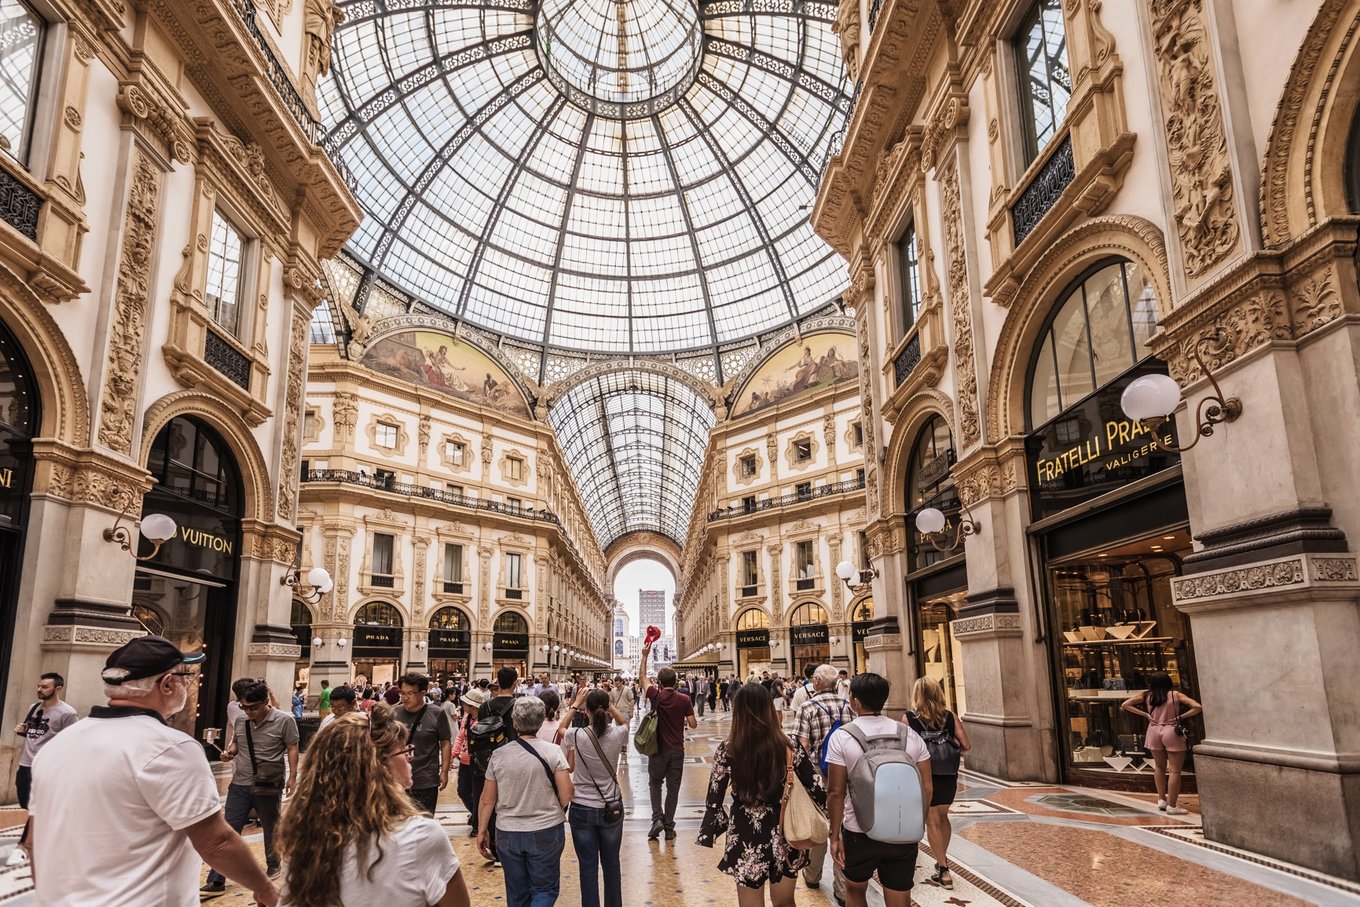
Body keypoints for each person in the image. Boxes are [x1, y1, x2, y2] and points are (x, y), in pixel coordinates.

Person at [29, 636, 278, 906]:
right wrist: (264, 887)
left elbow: (32, 841)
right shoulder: (171, 747)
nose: (188, 684)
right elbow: (216, 842)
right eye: (187, 677)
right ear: (168, 684)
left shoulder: (57, 746)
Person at [275, 704, 471, 907]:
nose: (409, 757)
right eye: (404, 750)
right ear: (380, 763)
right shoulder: (420, 836)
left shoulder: (305, 836)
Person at [697, 683, 827, 907]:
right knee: (785, 901)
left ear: (738, 712)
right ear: (768, 709)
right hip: (784, 829)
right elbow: (816, 788)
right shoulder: (789, 745)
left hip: (746, 833)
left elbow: (714, 797)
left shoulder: (728, 749)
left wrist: (713, 827)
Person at [826, 673, 932, 907]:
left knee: (854, 890)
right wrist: (916, 822)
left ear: (854, 701)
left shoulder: (842, 737)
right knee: (899, 894)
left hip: (858, 830)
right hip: (903, 831)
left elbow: (835, 792)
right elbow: (927, 786)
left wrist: (834, 835)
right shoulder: (909, 735)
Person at [203, 681, 299, 896]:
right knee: (228, 829)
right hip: (240, 783)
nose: (249, 711)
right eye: (244, 707)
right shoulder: (241, 720)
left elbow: (292, 747)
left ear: (266, 701)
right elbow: (236, 744)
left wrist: (293, 776)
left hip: (268, 783)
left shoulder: (284, 720)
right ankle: (216, 879)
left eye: (253, 707)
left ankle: (274, 862)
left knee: (271, 825)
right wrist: (229, 753)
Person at [476, 696, 573, 906]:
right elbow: (567, 794)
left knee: (517, 891)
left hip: (508, 831)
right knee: (544, 889)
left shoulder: (499, 755)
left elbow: (487, 800)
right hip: (546, 829)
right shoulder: (553, 751)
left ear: (514, 723)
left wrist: (483, 829)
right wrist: (553, 808)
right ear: (539, 722)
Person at [558, 687, 628, 907]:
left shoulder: (576, 735)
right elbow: (624, 721)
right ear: (606, 709)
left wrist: (574, 705)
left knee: (587, 867)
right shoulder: (618, 734)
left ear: (585, 710)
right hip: (611, 807)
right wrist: (610, 706)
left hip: (582, 808)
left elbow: (561, 728)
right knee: (612, 865)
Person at [904, 676, 971, 890]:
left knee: (931, 820)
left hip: (924, 775)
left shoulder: (909, 718)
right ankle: (942, 861)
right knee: (943, 817)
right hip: (948, 775)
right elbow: (966, 745)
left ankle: (943, 869)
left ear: (917, 695)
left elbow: (905, 750)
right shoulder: (949, 716)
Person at [794, 664, 851, 904]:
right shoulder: (849, 707)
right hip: (845, 776)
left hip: (817, 776)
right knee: (841, 827)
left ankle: (813, 874)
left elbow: (802, 747)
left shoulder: (807, 707)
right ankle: (842, 888)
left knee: (818, 824)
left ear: (815, 682)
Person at [8, 671, 78, 866]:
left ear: (58, 689)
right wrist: (22, 731)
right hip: (26, 764)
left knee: (36, 807)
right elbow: (36, 734)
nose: (39, 690)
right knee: (26, 803)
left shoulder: (67, 713)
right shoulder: (33, 708)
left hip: (48, 767)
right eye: (39, 686)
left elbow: (73, 742)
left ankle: (23, 847)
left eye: (44, 687)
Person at [1121, 671, 1203, 815]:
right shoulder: (1175, 695)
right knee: (1175, 770)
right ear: (1169, 682)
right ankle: (1172, 805)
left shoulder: (1146, 695)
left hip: (1153, 730)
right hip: (1171, 730)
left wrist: (1146, 714)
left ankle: (1161, 799)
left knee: (1159, 767)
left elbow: (1126, 704)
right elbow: (1197, 707)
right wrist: (1180, 717)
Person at [640, 638, 696, 840]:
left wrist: (645, 656)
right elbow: (692, 723)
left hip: (657, 750)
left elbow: (643, 678)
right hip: (677, 751)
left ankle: (656, 819)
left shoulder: (656, 695)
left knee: (655, 783)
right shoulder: (684, 699)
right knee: (673, 789)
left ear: (660, 683)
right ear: (676, 681)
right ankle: (669, 828)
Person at [475, 666, 521, 863]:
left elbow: (480, 731)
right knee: (510, 801)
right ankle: (510, 844)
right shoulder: (519, 705)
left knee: (491, 800)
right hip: (514, 756)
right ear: (515, 682)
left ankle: (494, 845)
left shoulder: (485, 706)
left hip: (491, 758)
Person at [395, 672, 454, 815]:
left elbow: (445, 742)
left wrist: (444, 771)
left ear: (423, 693)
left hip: (426, 779)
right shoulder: (394, 713)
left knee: (424, 826)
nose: (405, 697)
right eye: (402, 693)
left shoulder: (436, 713)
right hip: (398, 780)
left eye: (410, 693)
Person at [452, 688, 487, 834]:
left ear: (473, 705)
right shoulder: (466, 718)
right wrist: (454, 754)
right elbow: (460, 736)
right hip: (464, 760)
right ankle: (476, 814)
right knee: (463, 791)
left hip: (477, 762)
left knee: (478, 793)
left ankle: (477, 824)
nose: (463, 704)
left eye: (466, 703)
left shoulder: (483, 720)